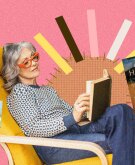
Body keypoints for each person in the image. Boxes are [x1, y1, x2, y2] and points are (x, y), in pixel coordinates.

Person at [2, 41, 135, 165]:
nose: (34, 63)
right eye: (26, 62)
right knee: (122, 138)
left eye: (34, 57)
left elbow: (70, 114)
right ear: (15, 69)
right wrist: (73, 117)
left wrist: (83, 107)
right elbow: (33, 128)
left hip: (74, 130)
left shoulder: (47, 90)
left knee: (121, 111)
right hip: (54, 145)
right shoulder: (19, 93)